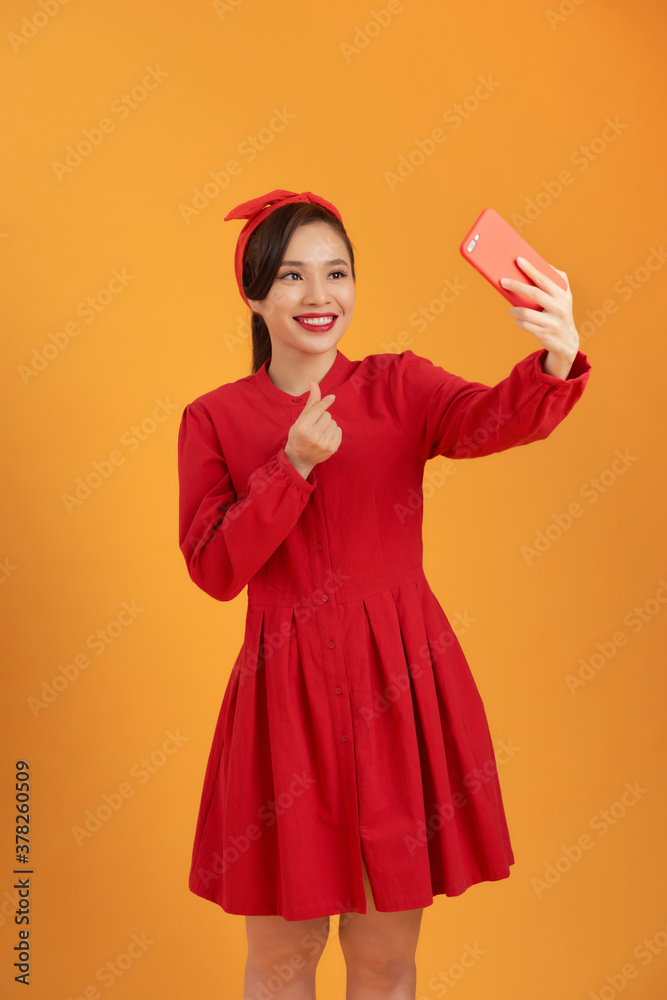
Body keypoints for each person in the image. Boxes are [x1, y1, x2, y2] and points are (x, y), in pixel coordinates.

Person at [177, 189, 592, 999]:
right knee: (282, 961)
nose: (318, 295)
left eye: (336, 273)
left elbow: (491, 420)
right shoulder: (213, 420)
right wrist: (288, 469)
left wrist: (552, 357)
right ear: (255, 294)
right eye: (292, 277)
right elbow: (215, 570)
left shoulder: (400, 386)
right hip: (281, 709)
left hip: (398, 693)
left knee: (383, 962)